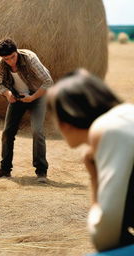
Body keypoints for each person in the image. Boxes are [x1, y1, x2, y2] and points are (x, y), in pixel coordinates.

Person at [47, 68, 134, 252]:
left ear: (65, 121)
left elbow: (104, 236)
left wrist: (94, 178)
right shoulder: (127, 113)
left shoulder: (106, 129)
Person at [0, 38, 54, 182]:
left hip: (37, 96)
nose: (10, 61)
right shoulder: (0, 64)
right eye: (6, 59)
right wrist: (8, 94)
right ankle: (5, 169)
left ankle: (41, 172)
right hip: (17, 98)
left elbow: (48, 82)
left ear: (17, 51)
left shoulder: (30, 59)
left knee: (37, 131)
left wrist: (33, 98)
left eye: (12, 57)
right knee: (8, 132)